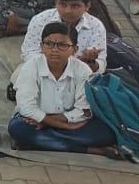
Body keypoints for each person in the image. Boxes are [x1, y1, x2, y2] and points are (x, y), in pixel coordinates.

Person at [8, 22, 119, 158]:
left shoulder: (83, 70)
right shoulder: (31, 67)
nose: (54, 49)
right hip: (35, 121)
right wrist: (65, 127)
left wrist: (49, 121)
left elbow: (84, 111)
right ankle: (90, 150)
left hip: (62, 121)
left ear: (75, 49)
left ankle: (38, 144)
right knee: (18, 128)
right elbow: (26, 108)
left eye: (62, 45)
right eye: (49, 44)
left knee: (106, 133)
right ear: (41, 47)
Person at [13, 0, 107, 94]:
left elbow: (101, 65)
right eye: (63, 4)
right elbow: (29, 53)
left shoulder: (96, 26)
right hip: (43, 72)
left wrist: (91, 63)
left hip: (76, 76)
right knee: (22, 74)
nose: (68, 11)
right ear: (56, 2)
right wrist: (54, 67)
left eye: (75, 6)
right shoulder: (40, 20)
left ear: (87, 6)